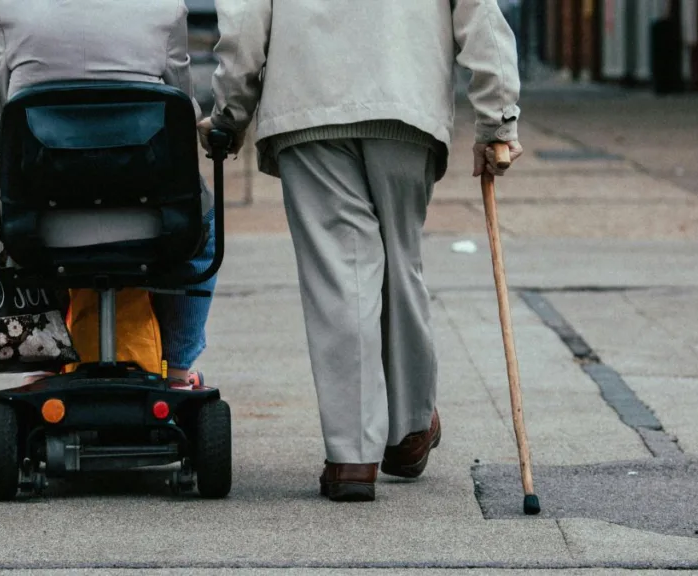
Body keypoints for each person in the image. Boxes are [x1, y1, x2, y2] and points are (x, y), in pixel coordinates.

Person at [199, 0, 524, 501]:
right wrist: (497, 115)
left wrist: (230, 111)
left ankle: (352, 456)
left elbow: (243, 24)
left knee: (340, 276)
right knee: (401, 260)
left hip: (308, 103)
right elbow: (479, 13)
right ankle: (411, 429)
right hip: (405, 101)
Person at [0, 0, 217, 388]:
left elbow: (1, 111)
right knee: (204, 232)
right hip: (151, 219)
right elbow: (183, 108)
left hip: (42, 221)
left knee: (24, 221)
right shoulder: (164, 7)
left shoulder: (9, 6)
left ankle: (45, 359)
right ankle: (176, 369)